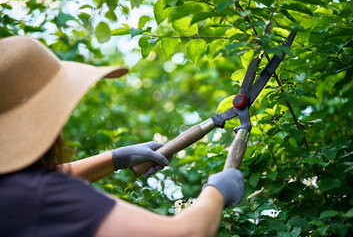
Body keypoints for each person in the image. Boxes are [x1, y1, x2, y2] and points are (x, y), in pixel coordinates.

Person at [0, 35, 245, 237]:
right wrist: (218, 190)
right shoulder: (42, 197)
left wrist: (115, 158)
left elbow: (33, 184)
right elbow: (186, 233)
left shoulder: (15, 191)